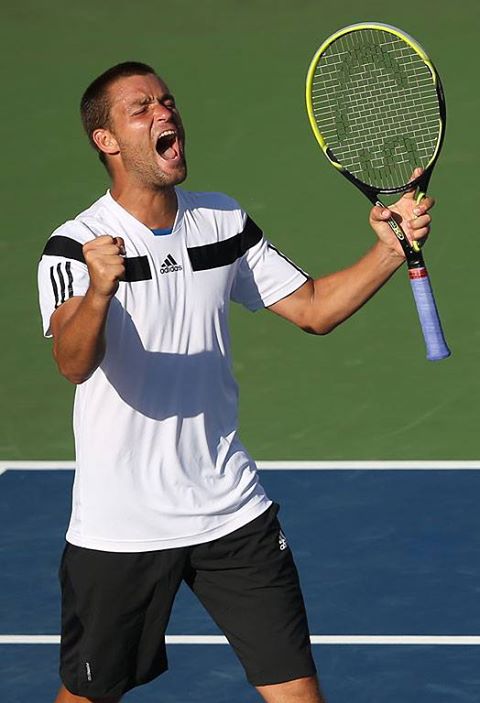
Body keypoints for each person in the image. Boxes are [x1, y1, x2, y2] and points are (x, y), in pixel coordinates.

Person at [37, 61, 434, 703]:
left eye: (167, 101)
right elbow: (73, 362)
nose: (165, 113)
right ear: (105, 140)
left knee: (299, 694)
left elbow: (313, 309)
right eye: (140, 109)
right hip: (123, 524)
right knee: (87, 696)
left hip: (231, 509)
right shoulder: (74, 246)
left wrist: (390, 249)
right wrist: (100, 290)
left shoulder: (222, 222)